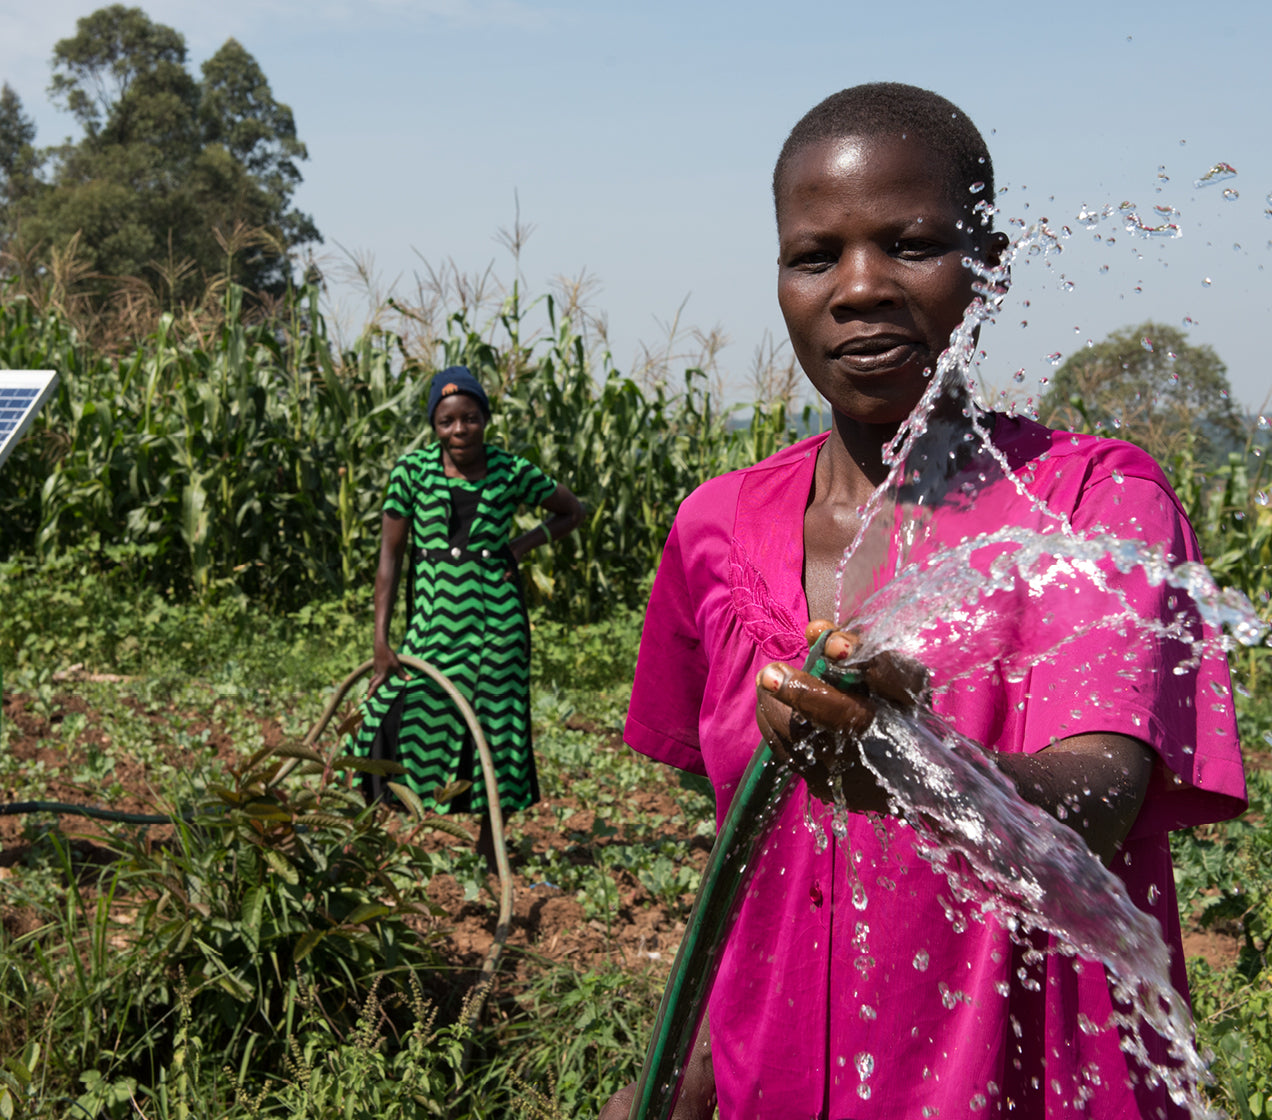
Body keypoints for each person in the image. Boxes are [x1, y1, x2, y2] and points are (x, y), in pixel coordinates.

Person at [603, 84, 1246, 1118]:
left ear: (986, 268)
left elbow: (1100, 798)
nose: (859, 288)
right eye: (815, 257)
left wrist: (904, 759)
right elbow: (745, 873)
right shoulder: (713, 532)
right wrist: (676, 1089)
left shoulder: (1086, 506)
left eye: (910, 245)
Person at [353, 366, 585, 862]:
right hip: (434, 621)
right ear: (434, 426)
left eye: (470, 418)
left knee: (496, 724)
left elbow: (571, 510)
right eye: (446, 421)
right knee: (386, 707)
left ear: (484, 418)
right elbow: (388, 561)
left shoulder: (510, 470)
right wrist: (380, 643)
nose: (459, 430)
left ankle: (489, 842)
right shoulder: (411, 473)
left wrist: (520, 547)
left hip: (498, 624)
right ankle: (377, 828)